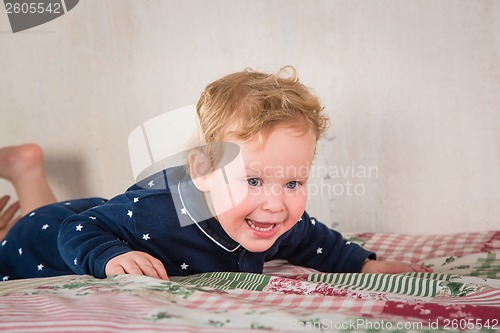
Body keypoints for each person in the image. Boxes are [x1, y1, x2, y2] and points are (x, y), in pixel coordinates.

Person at [0, 67, 431, 282]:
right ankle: (26, 172)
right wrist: (109, 258)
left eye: (293, 182)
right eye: (256, 180)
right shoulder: (160, 212)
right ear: (203, 172)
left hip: (89, 219)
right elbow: (78, 228)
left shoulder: (272, 217)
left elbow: (315, 240)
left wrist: (367, 263)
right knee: (35, 228)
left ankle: (25, 168)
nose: (276, 202)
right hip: (41, 239)